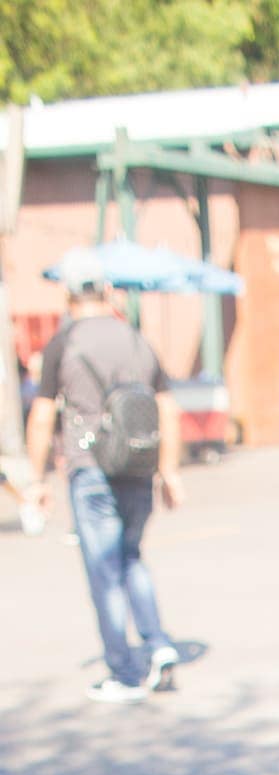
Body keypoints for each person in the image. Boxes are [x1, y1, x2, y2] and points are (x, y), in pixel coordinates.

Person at [26, 254, 183, 705]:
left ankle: (124, 672)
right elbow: (167, 409)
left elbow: (41, 417)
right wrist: (169, 471)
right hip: (138, 466)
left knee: (105, 571)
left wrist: (37, 481)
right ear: (108, 294)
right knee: (133, 557)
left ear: (70, 296)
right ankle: (159, 645)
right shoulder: (138, 340)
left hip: (90, 467)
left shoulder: (64, 343)